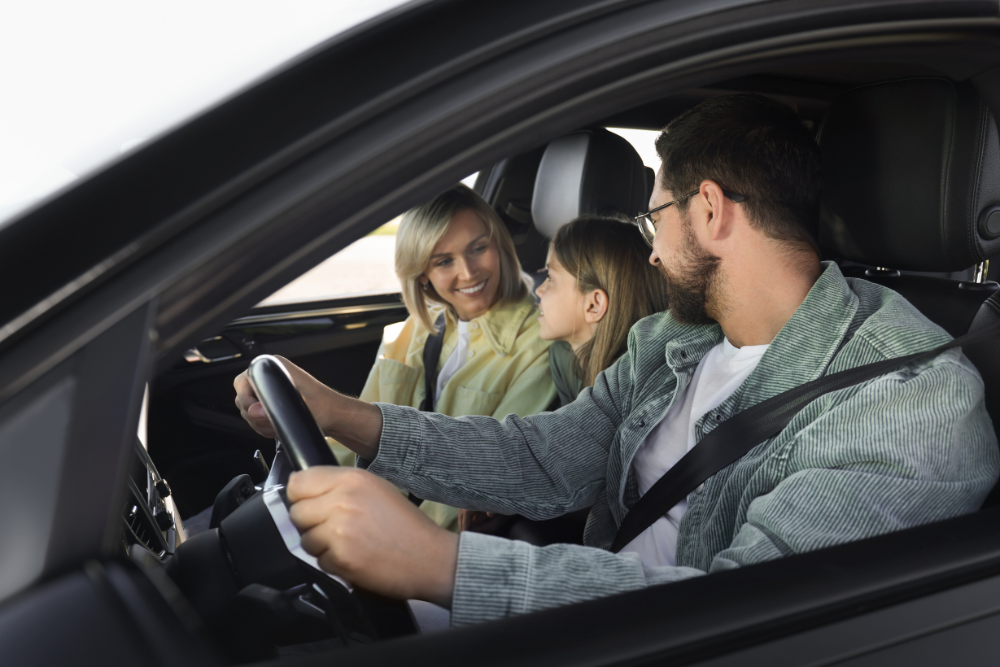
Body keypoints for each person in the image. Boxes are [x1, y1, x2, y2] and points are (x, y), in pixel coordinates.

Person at [235, 94, 999, 627]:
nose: (652, 246)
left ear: (709, 210)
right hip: (579, 608)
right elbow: (545, 459)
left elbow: (743, 620)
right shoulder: (676, 338)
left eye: (653, 215)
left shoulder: (911, 401)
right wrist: (342, 415)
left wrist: (444, 565)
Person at [327, 184, 556, 532]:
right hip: (361, 515)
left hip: (413, 541)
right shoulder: (413, 331)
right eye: (444, 261)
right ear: (422, 275)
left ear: (499, 246)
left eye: (479, 249)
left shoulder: (538, 344)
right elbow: (354, 436)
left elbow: (492, 470)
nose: (468, 273)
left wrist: (387, 539)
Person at [458, 216, 668, 534]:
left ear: (594, 304)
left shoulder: (639, 383)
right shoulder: (564, 357)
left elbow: (612, 497)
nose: (539, 289)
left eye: (551, 278)